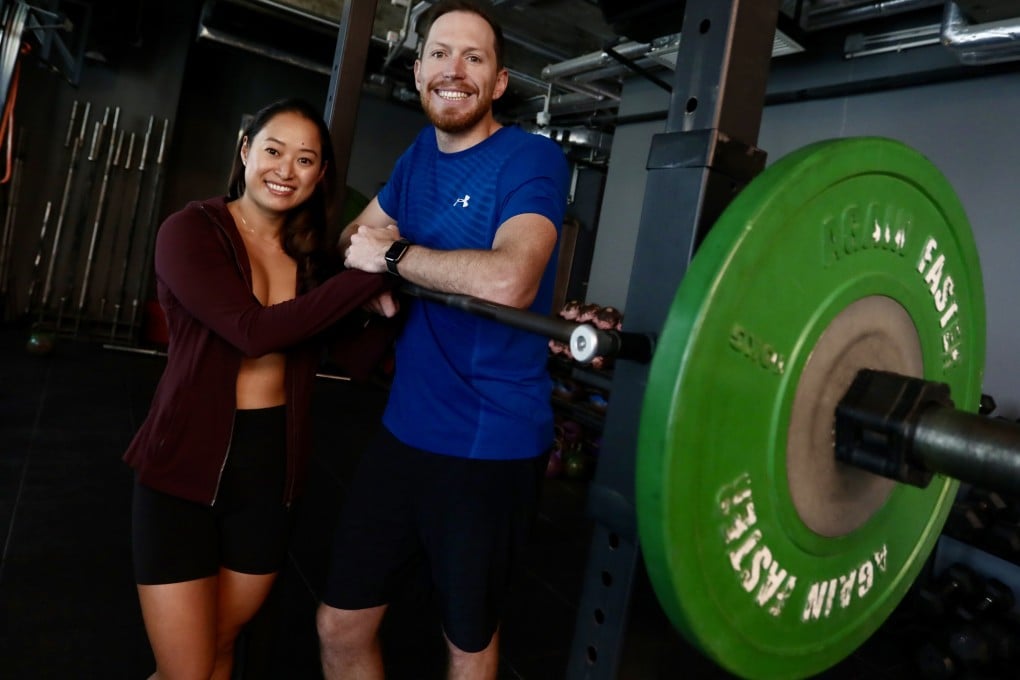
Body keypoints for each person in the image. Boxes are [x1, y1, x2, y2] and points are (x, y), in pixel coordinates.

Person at [315, 2, 570, 678]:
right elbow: (354, 238)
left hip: (489, 447)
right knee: (339, 625)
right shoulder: (417, 157)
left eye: (473, 58)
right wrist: (373, 267)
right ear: (419, 67)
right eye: (437, 53)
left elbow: (513, 278)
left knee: (466, 644)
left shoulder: (530, 159)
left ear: (498, 82)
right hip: (405, 432)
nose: (451, 70)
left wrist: (395, 260)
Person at [122, 98, 397, 680]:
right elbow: (251, 333)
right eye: (273, 150)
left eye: (305, 160)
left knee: (222, 646)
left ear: (321, 176)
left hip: (270, 472)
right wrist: (367, 273)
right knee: (187, 670)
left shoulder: (310, 260)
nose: (285, 170)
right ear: (245, 150)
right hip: (184, 469)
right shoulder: (191, 231)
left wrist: (393, 295)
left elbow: (355, 359)